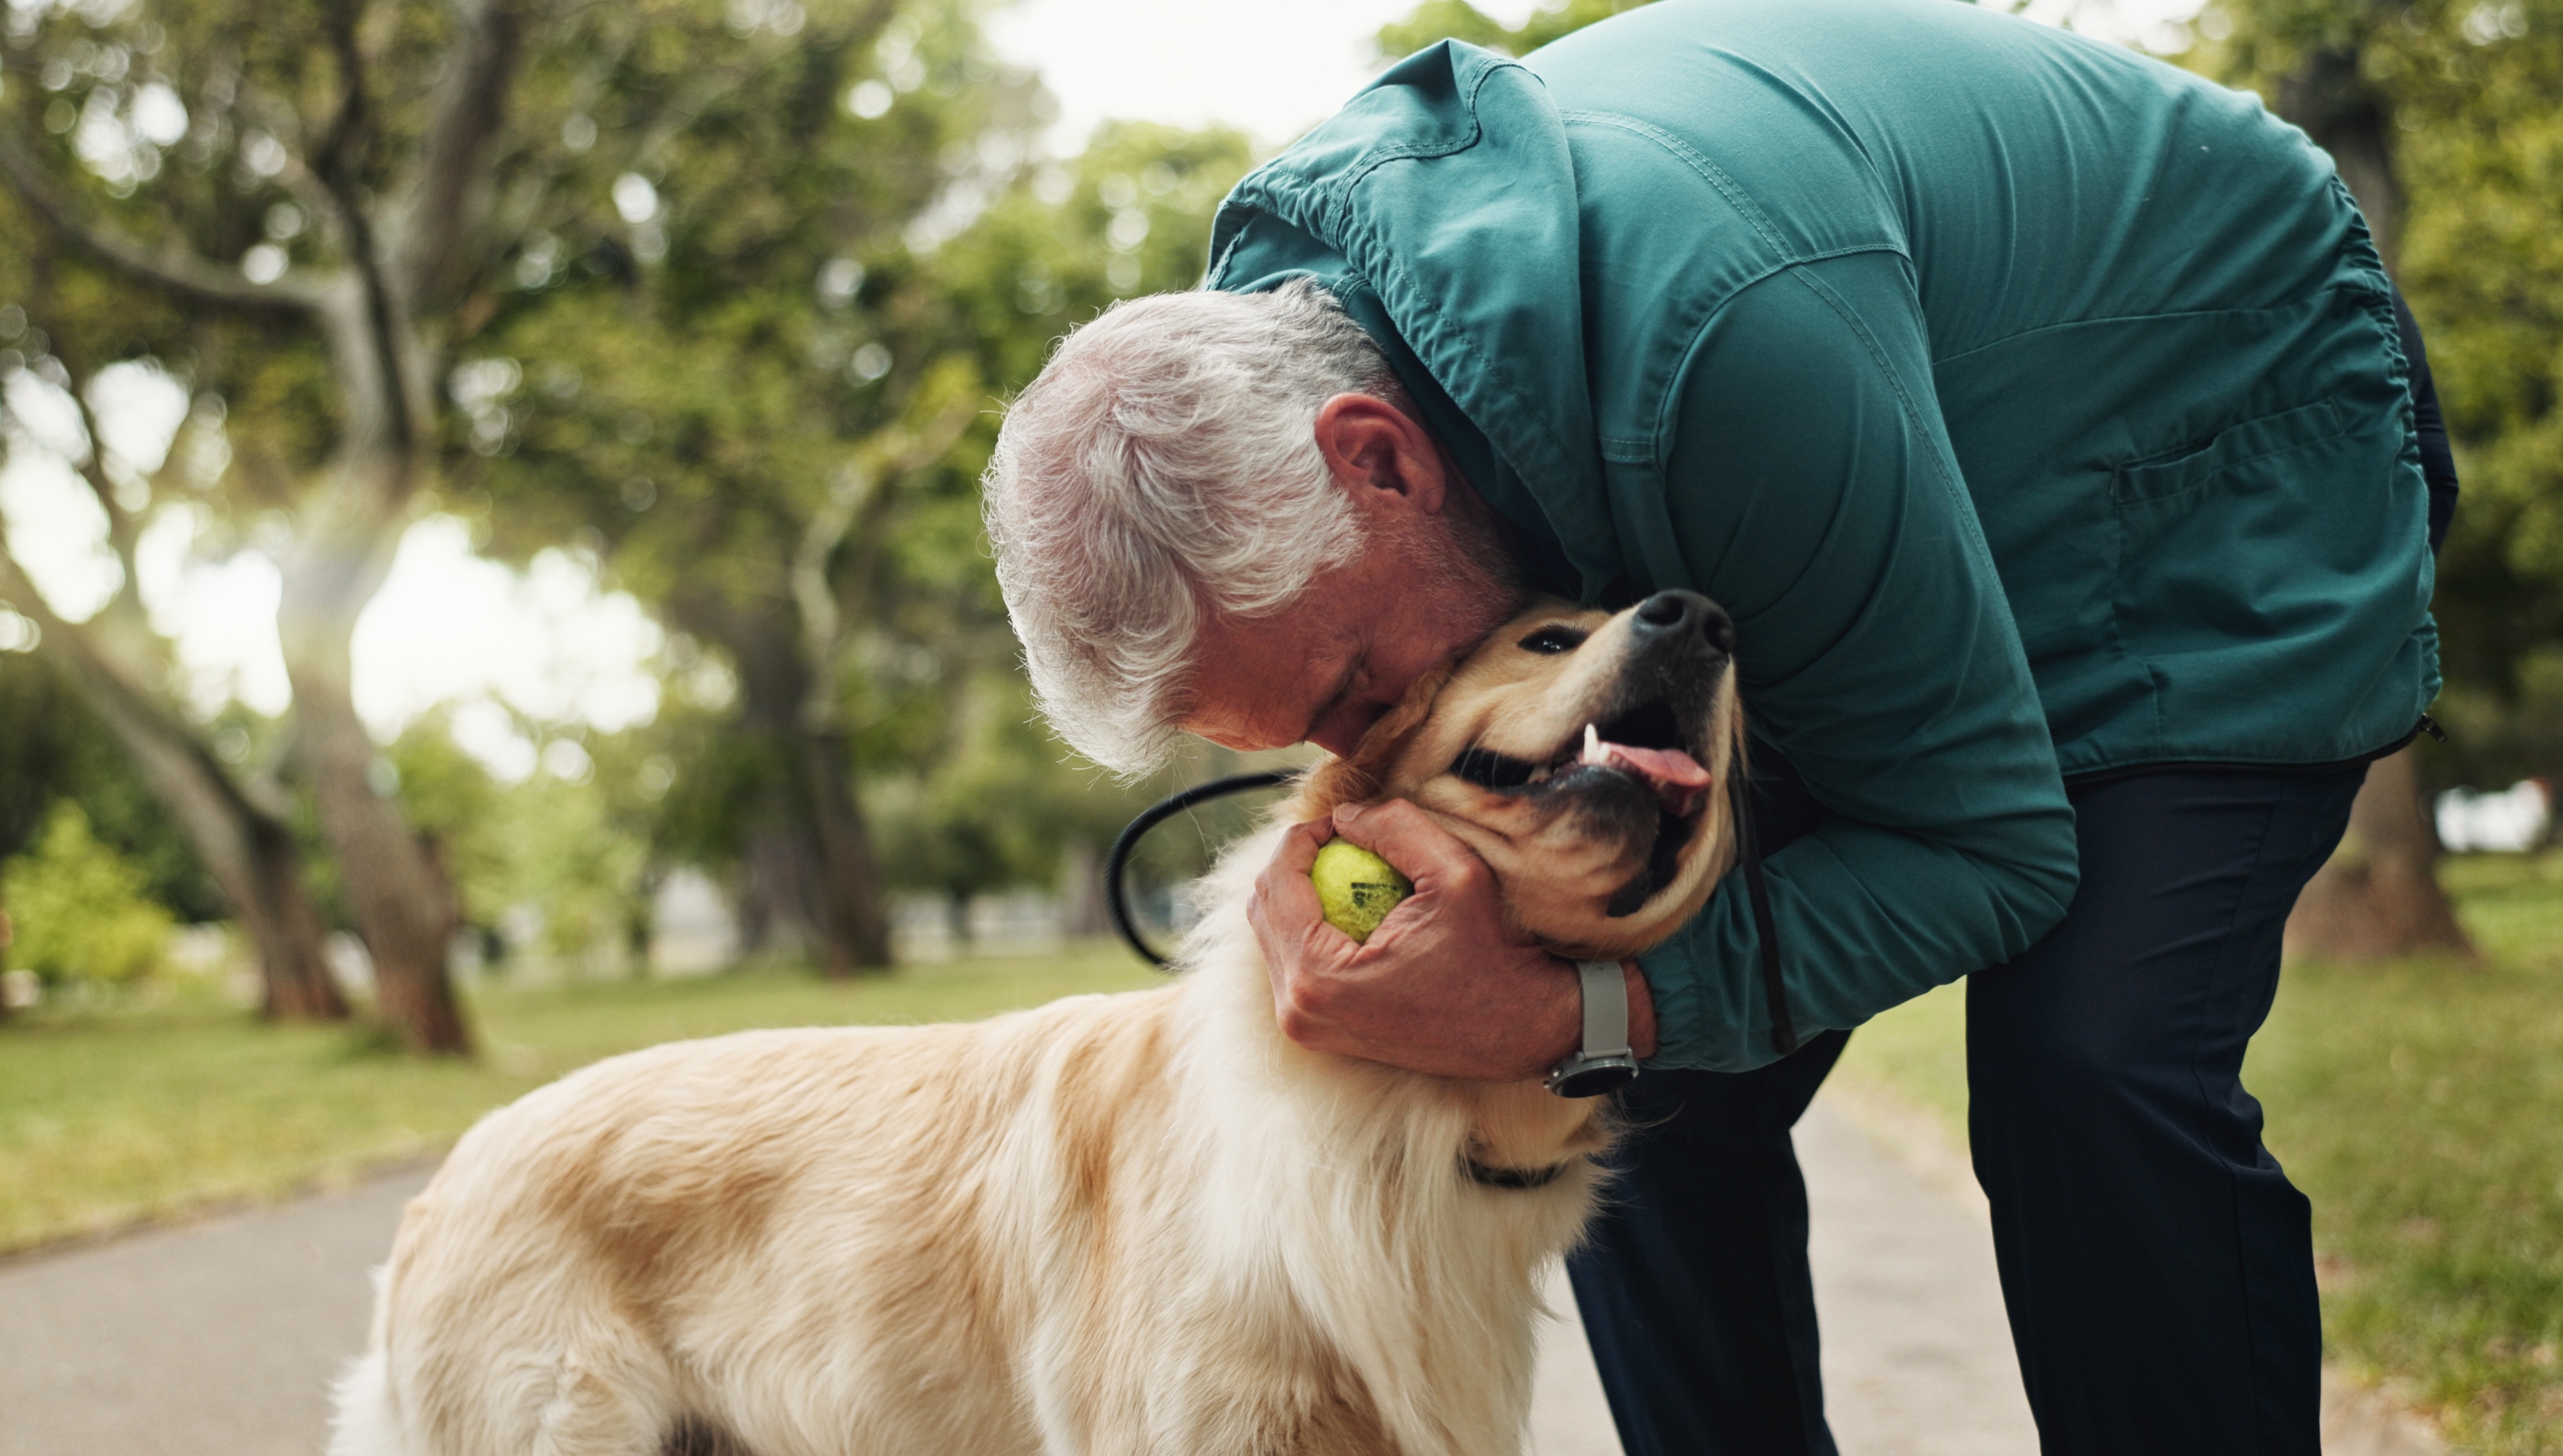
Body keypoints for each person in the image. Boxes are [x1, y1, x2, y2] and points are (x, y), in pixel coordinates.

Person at [981, 0, 2454, 1450]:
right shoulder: (1281, 346)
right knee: (1632, 1099)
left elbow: (1986, 853)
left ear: (1375, 463)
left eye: (1356, 691)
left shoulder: (1706, 346)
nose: (1364, 754)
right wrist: (1566, 1012)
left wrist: (1563, 1012)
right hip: (1854, 456)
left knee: (2088, 1064)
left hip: (2209, 422)